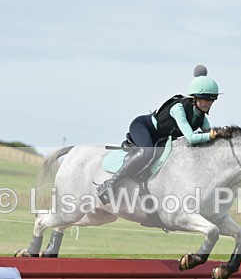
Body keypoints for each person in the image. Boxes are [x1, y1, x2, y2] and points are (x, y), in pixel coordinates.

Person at [96, 65, 232, 203]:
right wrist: (214, 134)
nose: (210, 103)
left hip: (161, 139)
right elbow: (192, 138)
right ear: (194, 98)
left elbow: (208, 135)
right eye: (206, 99)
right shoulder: (178, 108)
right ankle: (110, 184)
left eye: (212, 99)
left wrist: (221, 135)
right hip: (142, 127)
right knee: (147, 152)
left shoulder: (201, 117)